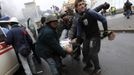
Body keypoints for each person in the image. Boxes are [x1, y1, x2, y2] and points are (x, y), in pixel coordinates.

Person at [69, 0, 108, 74]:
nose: (82, 6)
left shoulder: (90, 12)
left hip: (95, 36)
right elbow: (79, 30)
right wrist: (77, 40)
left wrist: (106, 31)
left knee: (92, 52)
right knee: (84, 52)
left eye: (83, 4)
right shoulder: (79, 18)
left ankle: (97, 68)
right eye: (80, 5)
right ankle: (89, 64)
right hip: (87, 37)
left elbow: (103, 20)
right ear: (76, 8)